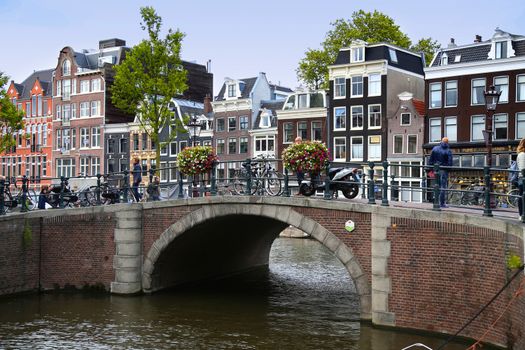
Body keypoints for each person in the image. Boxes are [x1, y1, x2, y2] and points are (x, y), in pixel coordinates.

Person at [429, 137, 453, 208]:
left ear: (441, 141)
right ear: (447, 143)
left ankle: (435, 202)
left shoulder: (435, 148)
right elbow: (450, 163)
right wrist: (448, 169)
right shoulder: (448, 151)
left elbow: (431, 160)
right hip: (443, 170)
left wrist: (431, 168)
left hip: (436, 169)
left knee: (436, 185)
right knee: (443, 187)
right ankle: (442, 203)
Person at [516, 138, 525, 220]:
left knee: (522, 195)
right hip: (523, 179)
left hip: (522, 179)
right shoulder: (522, 155)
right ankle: (522, 215)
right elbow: (522, 169)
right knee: (522, 195)